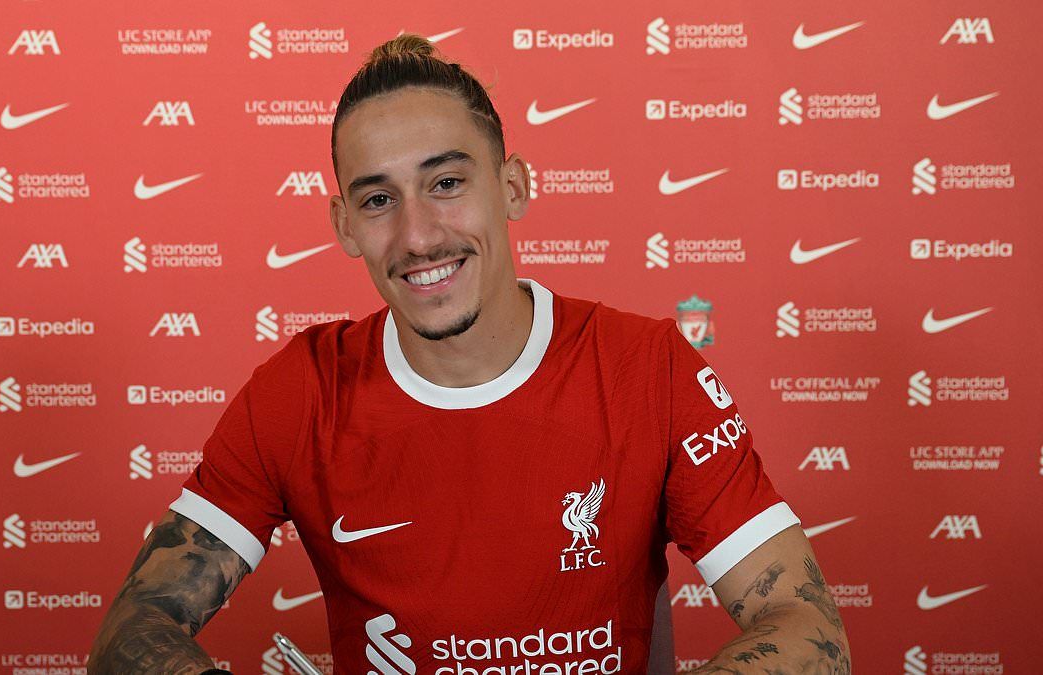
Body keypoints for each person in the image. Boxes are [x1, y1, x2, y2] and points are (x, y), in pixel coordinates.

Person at [89, 34, 851, 674]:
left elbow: (805, 623)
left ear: (512, 186)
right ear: (345, 224)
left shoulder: (646, 366)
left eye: (447, 182)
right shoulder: (299, 389)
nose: (419, 235)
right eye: (379, 200)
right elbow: (135, 626)